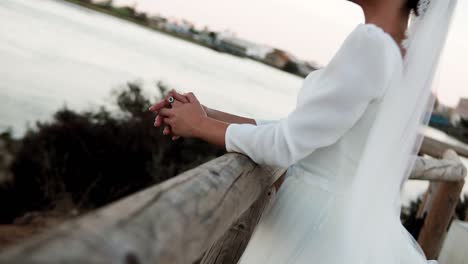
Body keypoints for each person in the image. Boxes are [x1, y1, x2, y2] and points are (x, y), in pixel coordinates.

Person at [149, 0, 456, 262]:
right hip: (344, 223)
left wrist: (201, 126)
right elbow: (308, 133)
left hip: (315, 224)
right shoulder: (403, 58)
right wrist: (209, 115)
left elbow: (285, 145)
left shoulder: (372, 44)